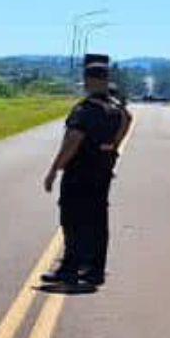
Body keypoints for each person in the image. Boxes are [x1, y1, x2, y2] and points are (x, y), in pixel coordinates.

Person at [42, 57, 134, 287]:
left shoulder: (86, 109)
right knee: (97, 221)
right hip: (102, 172)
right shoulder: (115, 108)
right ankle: (95, 270)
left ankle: (70, 268)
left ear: (89, 81)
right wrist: (112, 146)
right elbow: (128, 120)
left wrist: (55, 169)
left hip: (80, 172)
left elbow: (74, 139)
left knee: (72, 220)